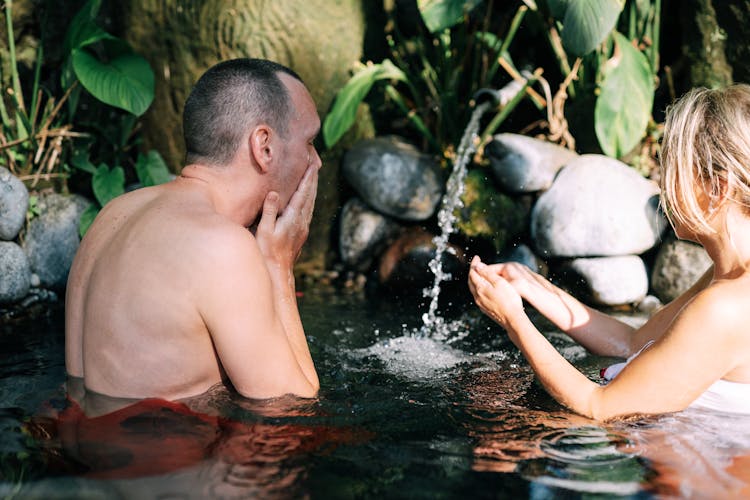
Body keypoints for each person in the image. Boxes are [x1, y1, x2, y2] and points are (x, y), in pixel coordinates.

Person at [469, 84, 750, 420]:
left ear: (718, 189)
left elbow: (600, 407)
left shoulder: (725, 307)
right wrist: (533, 288)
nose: (662, 185)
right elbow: (633, 343)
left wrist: (513, 320)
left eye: (675, 171)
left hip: (685, 466)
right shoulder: (729, 276)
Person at [65, 58, 321, 401]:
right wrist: (280, 269)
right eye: (309, 142)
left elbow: (81, 394)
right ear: (265, 147)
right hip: (166, 451)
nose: (316, 162)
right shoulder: (221, 247)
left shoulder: (114, 214)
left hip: (88, 447)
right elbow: (291, 411)